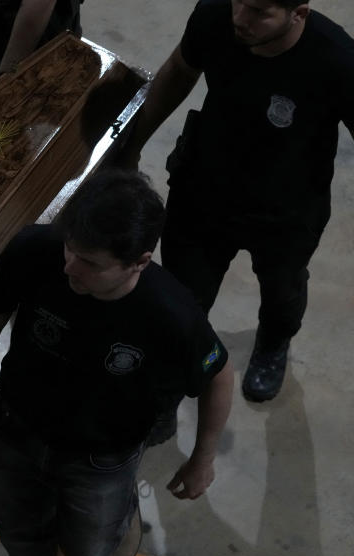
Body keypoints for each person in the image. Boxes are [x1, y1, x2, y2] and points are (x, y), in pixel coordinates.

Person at [0, 172, 233, 556]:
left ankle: (123, 507)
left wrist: (203, 457)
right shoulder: (36, 251)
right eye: (70, 248)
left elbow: (218, 377)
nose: (71, 266)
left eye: (90, 262)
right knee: (18, 533)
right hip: (16, 429)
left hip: (101, 459)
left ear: (138, 262)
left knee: (90, 551)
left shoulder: (171, 315)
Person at [118, 0, 354, 402]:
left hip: (288, 210)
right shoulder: (215, 16)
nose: (239, 19)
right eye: (239, 2)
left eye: (260, 11)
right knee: (182, 297)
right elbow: (179, 70)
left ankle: (273, 343)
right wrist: (132, 144)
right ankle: (173, 377)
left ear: (298, 13)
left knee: (282, 293)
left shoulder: (336, 59)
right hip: (203, 191)